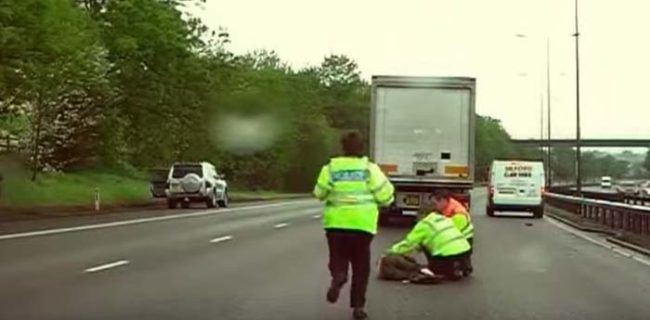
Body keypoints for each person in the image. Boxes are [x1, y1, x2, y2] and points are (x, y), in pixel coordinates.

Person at [313, 130, 394, 320]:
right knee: (361, 266)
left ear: (342, 147)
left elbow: (319, 193)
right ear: (361, 147)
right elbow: (385, 195)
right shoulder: (369, 168)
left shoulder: (331, 168)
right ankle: (358, 306)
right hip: (362, 225)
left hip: (336, 224)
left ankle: (339, 276)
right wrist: (386, 203)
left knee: (337, 259)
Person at [385, 210, 471, 281]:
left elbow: (408, 243)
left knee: (435, 271)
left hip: (447, 254)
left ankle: (444, 268)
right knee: (433, 241)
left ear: (421, 216)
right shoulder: (444, 218)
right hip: (465, 251)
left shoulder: (424, 224)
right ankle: (460, 266)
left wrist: (392, 251)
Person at [430, 190, 475, 276]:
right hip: (458, 239)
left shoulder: (458, 213)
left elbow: (453, 233)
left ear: (443, 201)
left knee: (457, 259)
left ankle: (461, 267)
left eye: (435, 204)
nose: (433, 206)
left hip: (463, 239)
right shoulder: (445, 207)